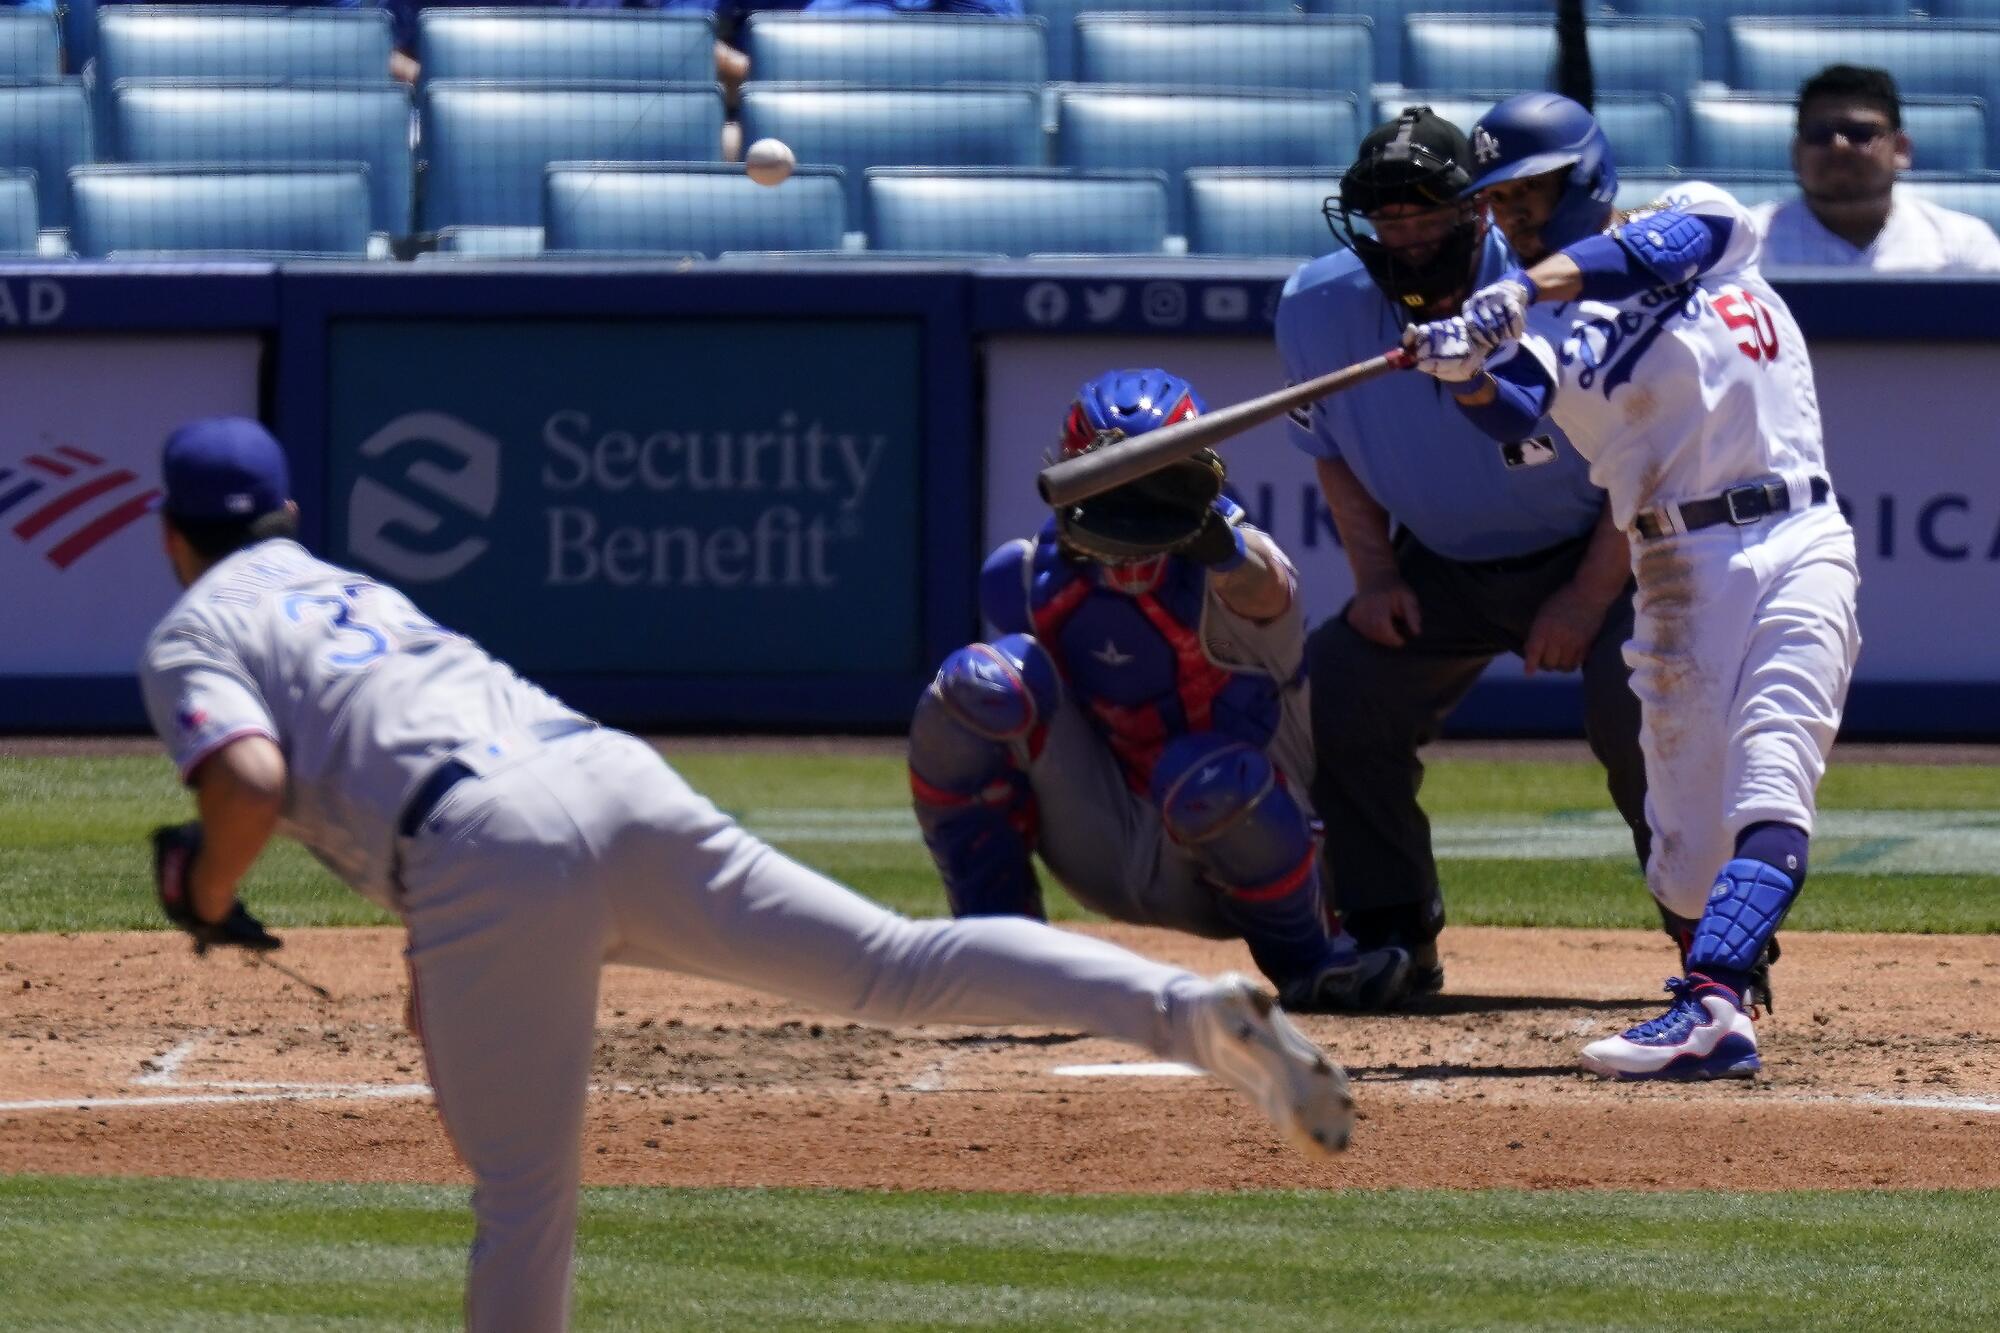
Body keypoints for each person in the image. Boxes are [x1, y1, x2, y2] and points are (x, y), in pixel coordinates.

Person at [137, 416, 1356, 1331]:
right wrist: (442, 962)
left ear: (170, 533)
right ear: (286, 513)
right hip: (602, 774)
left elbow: (245, 782)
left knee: (523, 1195)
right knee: (896, 966)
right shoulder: (351, 586)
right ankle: (1188, 1012)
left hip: (477, 849)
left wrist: (201, 886)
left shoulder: (194, 628)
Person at [1404, 91, 1862, 1078]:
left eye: (1531, 189)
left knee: (1770, 772)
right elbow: (1517, 413)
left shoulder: (1695, 216)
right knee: (1687, 855)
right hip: (1672, 568)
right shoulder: (1533, 327)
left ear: (1584, 174)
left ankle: (1708, 1006)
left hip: (1795, 532)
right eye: (1499, 200)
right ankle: (1718, 983)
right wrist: (1463, 371)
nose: (1515, 214)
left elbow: (1673, 241)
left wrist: (1523, 290)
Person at [1273, 106, 1649, 998]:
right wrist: (1374, 575)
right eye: (1385, 216)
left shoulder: (1554, 285)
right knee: (1338, 685)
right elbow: (1329, 449)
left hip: (1602, 549)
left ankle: (1711, 942)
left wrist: (1590, 599)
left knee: (1640, 707)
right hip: (1440, 563)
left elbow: (1653, 464)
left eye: (1425, 212)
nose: (1403, 235)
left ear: (1478, 212)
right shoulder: (1315, 306)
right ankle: (1390, 934)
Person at [908, 368, 1412, 1015]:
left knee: (1207, 778)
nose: (1129, 501)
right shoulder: (1028, 574)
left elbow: (1264, 585)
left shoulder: (1242, 570)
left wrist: (1207, 535)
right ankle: (998, 953)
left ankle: (1314, 959)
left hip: (1247, 846)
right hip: (1105, 833)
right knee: (975, 686)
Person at [1753, 64, 2000, 273]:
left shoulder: (1961, 243)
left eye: (1860, 134)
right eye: (1819, 134)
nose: (1839, 146)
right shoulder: (1746, 242)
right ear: (1796, 152)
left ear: (1900, 150)